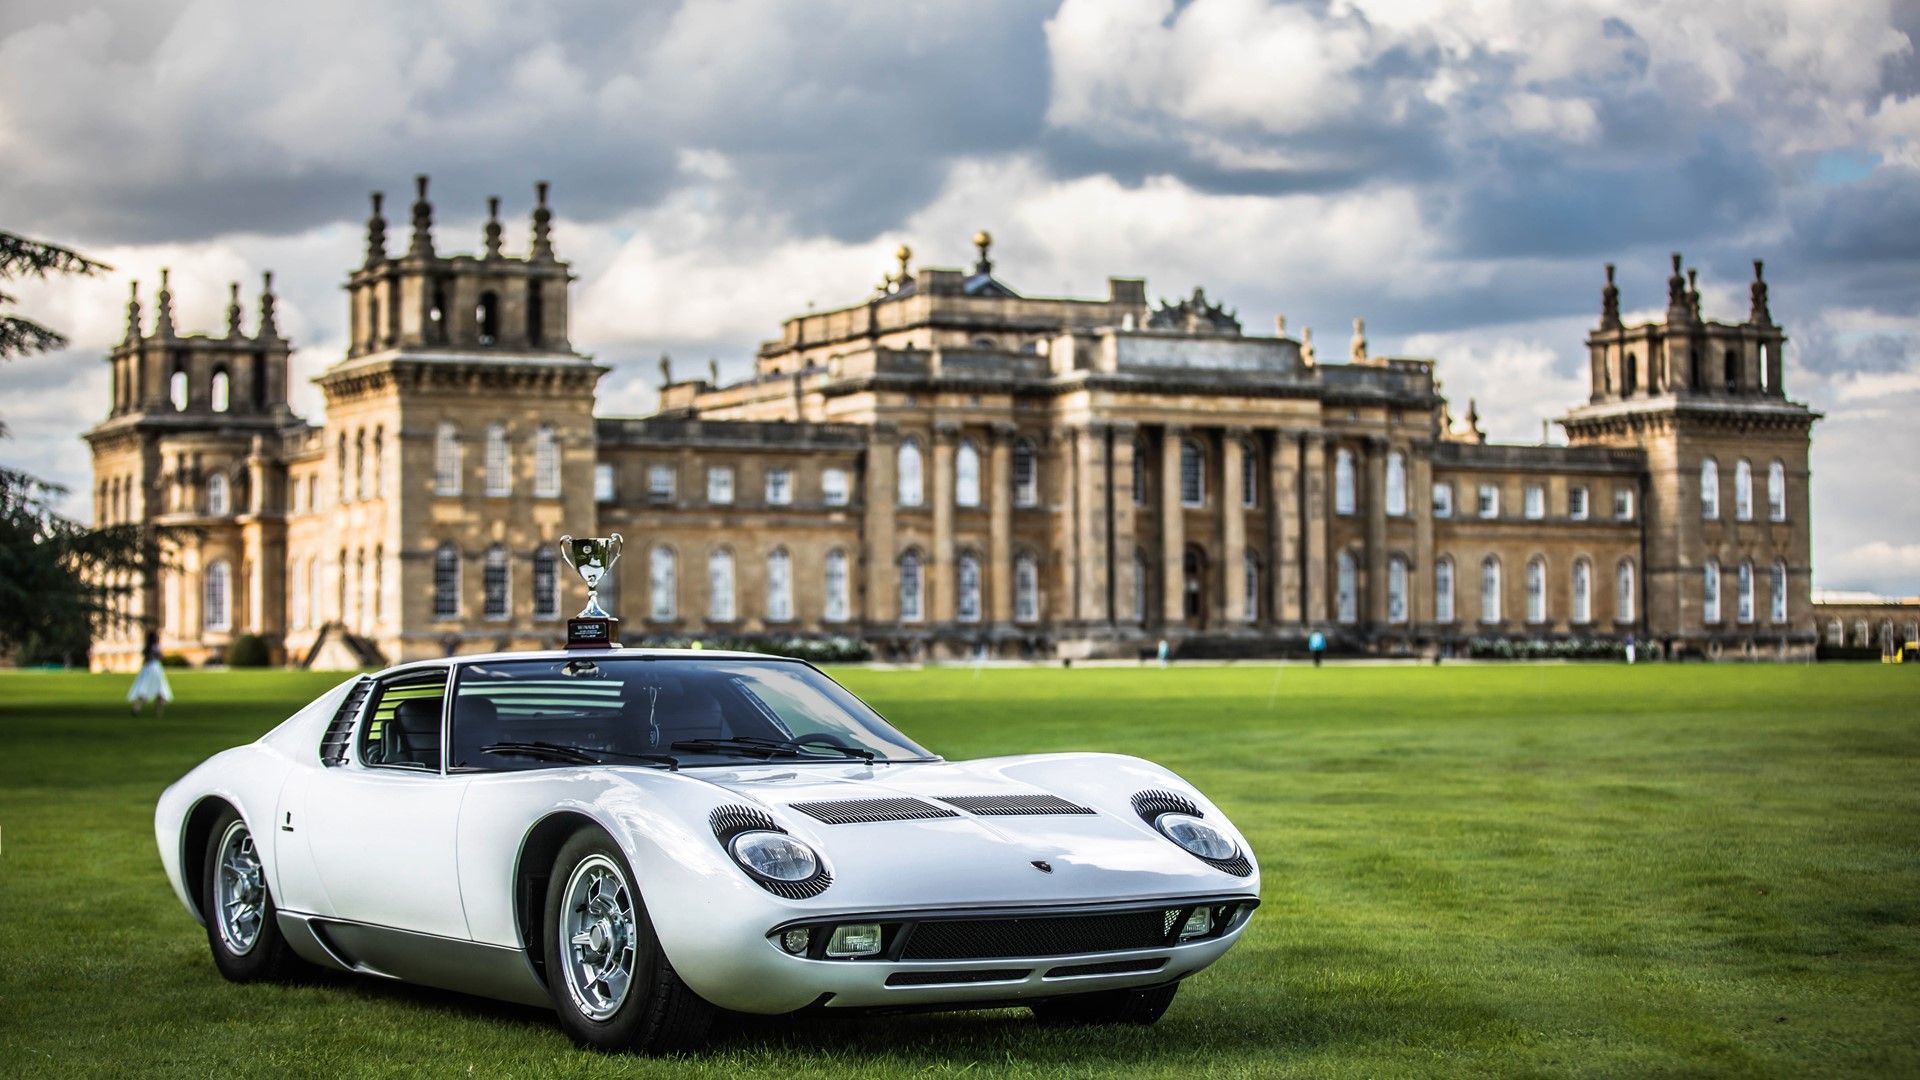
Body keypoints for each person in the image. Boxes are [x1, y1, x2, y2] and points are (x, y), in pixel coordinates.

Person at [128, 630, 173, 717]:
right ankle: (158, 712)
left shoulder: (147, 647)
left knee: (144, 690)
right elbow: (160, 656)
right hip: (155, 669)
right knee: (160, 691)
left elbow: (146, 659)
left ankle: (136, 707)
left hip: (147, 669)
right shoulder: (155, 647)